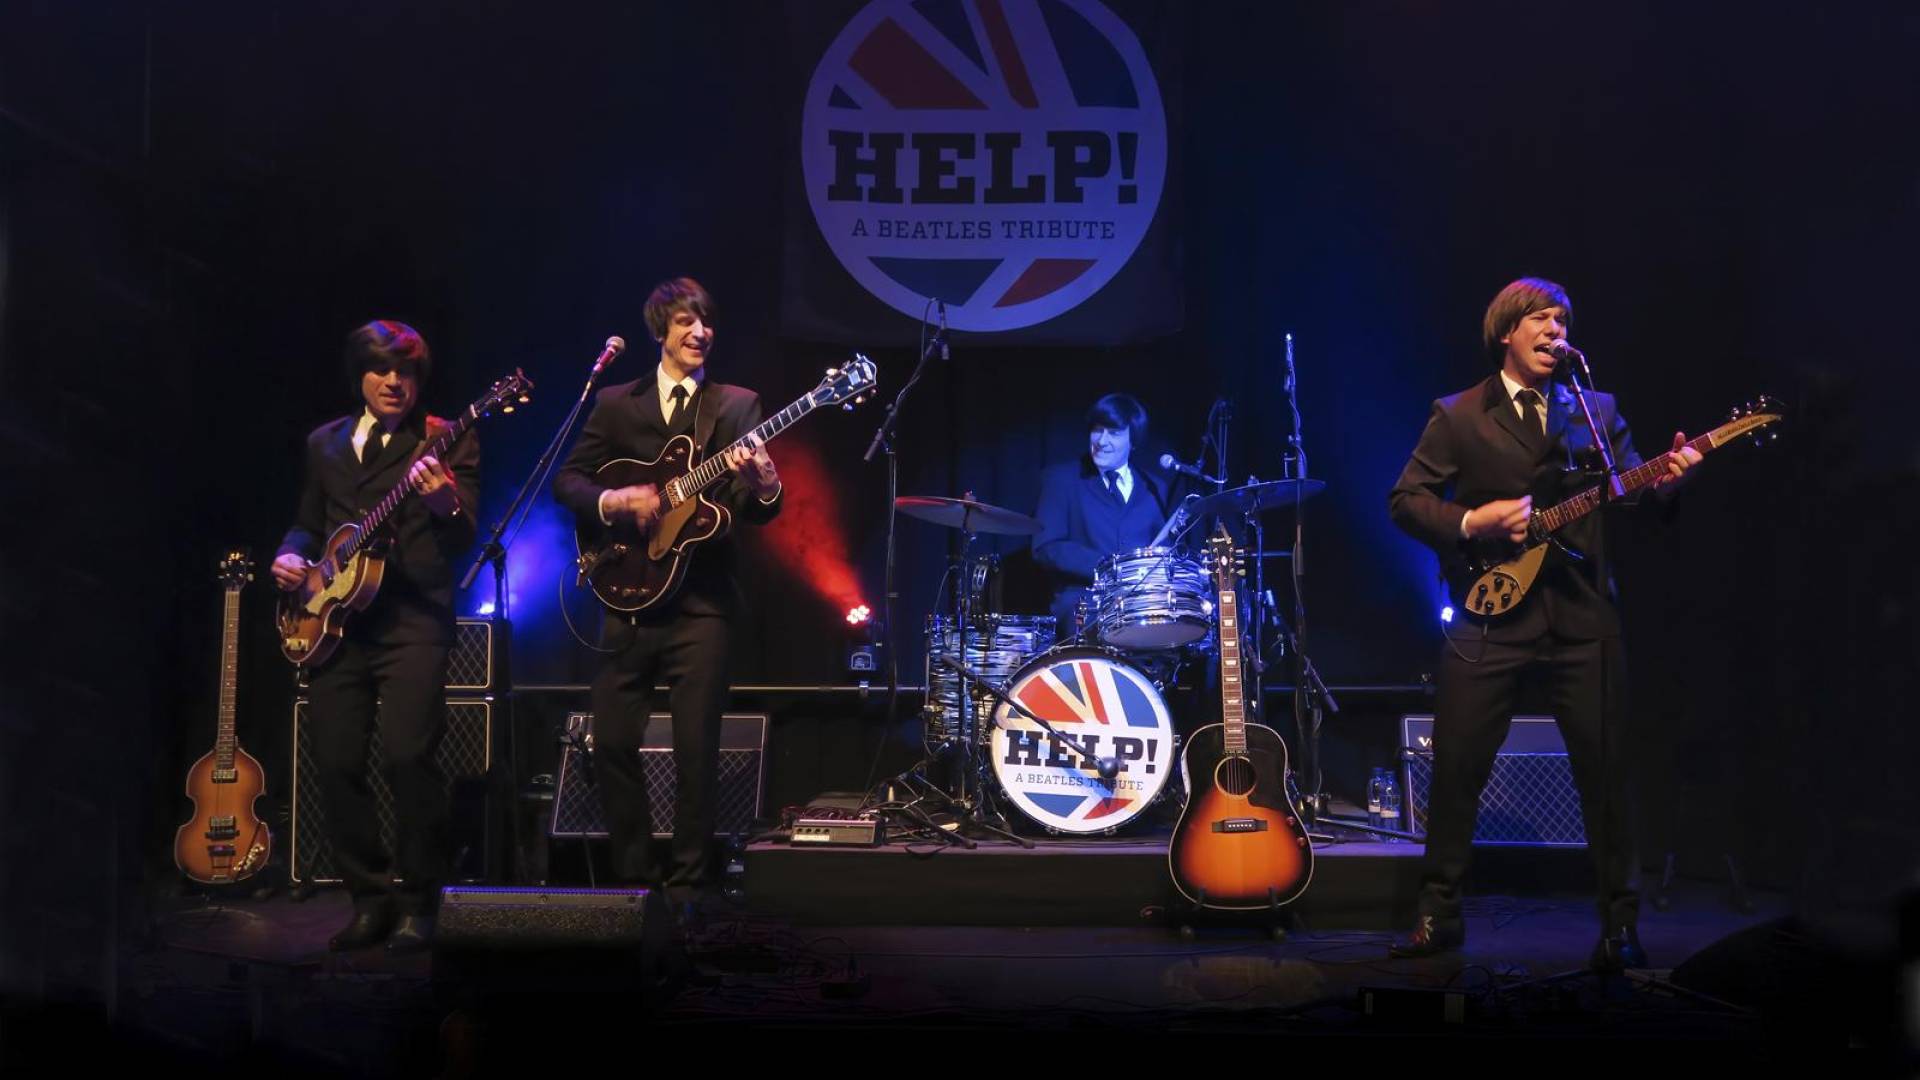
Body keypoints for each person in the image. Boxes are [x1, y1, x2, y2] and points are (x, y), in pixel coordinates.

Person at [1387, 277, 1700, 969]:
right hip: (1489, 615)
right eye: (1542, 318)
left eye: (1563, 322)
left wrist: (1667, 483)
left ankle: (1619, 926)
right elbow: (1406, 500)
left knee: (1606, 776)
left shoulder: (1594, 408)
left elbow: (1630, 495)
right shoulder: (1459, 413)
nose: (1557, 331)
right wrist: (1472, 520)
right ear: (1507, 329)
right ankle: (1439, 914)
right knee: (1457, 767)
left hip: (1583, 614)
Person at [553, 277, 782, 910]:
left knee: (695, 751)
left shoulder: (737, 405)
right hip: (625, 594)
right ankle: (634, 881)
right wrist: (614, 499)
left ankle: (688, 886)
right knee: (612, 741)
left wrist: (765, 484)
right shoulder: (615, 403)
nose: (699, 332)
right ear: (661, 330)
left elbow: (752, 508)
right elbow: (567, 481)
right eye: (685, 321)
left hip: (702, 603)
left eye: (706, 322)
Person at [271, 320, 480, 954]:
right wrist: (290, 556)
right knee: (336, 761)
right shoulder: (324, 443)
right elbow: (309, 524)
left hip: (415, 619)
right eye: (382, 369)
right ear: (359, 374)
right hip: (336, 623)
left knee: (409, 757)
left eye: (407, 372)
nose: (395, 382)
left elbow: (466, 532)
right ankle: (369, 899)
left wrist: (444, 501)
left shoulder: (445, 437)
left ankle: (420, 900)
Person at [1031, 393, 1176, 632]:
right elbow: (1046, 547)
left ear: (1133, 440)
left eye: (1114, 433)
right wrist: (1110, 568)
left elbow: (1163, 549)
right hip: (1085, 602)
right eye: (1097, 430)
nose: (1101, 441)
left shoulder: (1155, 487)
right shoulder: (1062, 479)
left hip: (1142, 603)